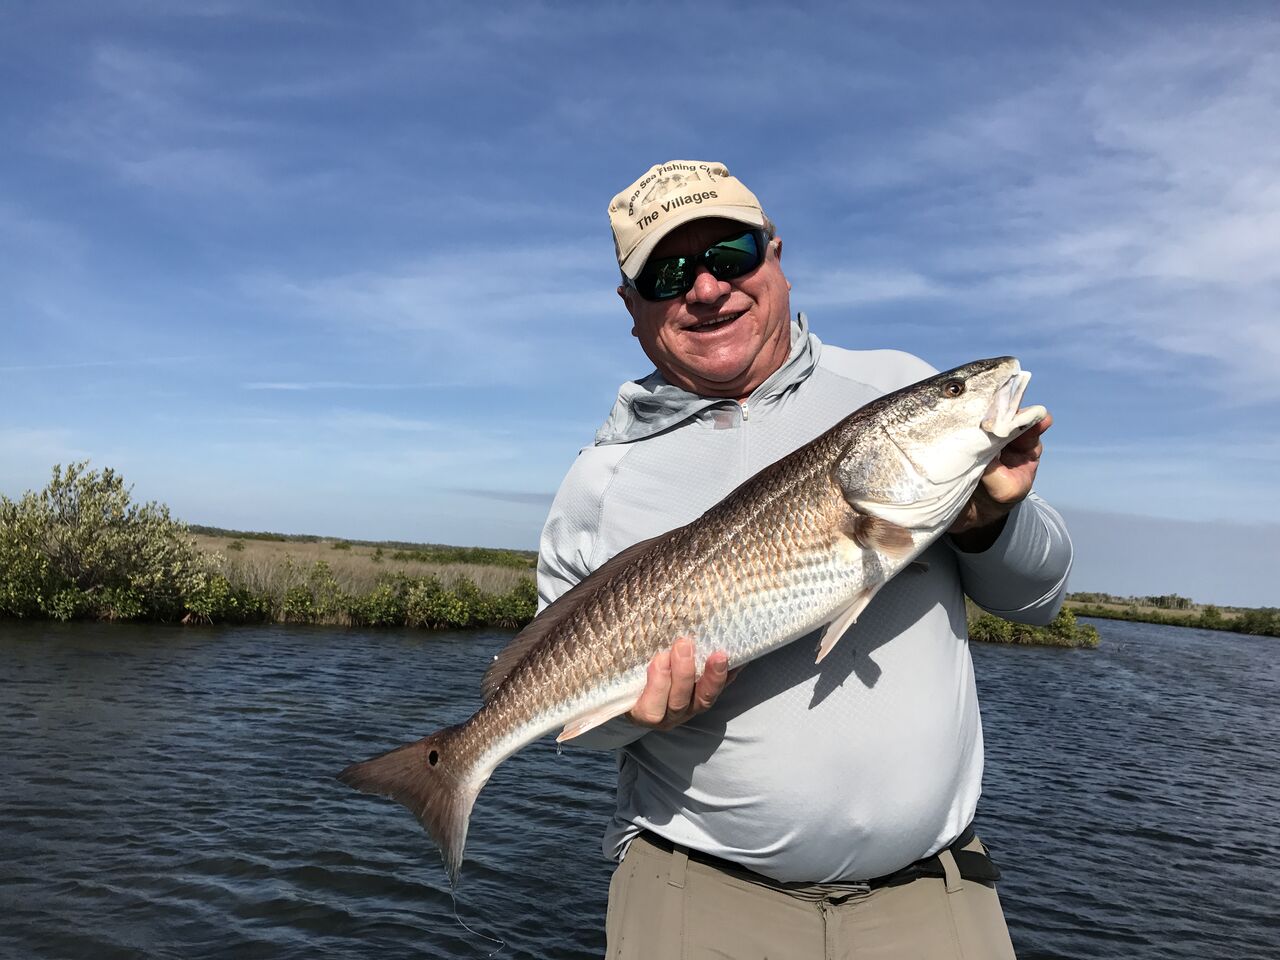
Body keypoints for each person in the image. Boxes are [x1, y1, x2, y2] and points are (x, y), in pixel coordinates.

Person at [536, 160, 1072, 959]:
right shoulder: (599, 479)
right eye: (669, 271)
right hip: (694, 898)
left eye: (732, 254)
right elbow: (565, 719)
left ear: (776, 255)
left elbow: (1042, 598)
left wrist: (988, 521)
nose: (708, 288)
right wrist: (635, 722)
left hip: (932, 900)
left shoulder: (897, 387)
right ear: (632, 305)